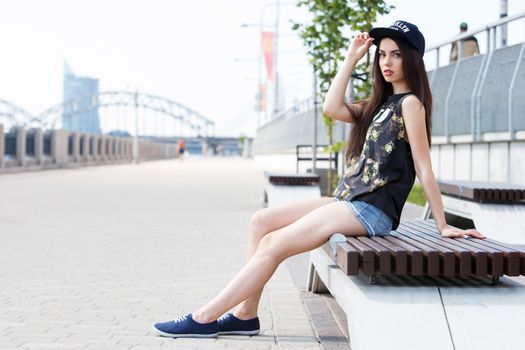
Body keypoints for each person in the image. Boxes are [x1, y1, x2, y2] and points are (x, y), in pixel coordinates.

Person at [153, 20, 485, 338]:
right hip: (350, 200)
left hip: (371, 209)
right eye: (382, 54)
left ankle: (204, 317)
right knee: (261, 222)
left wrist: (442, 224)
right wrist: (350, 58)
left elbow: (424, 168)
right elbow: (331, 107)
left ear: (411, 59)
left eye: (396, 54)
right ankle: (245, 314)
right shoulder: (381, 104)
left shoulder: (411, 104)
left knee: (273, 244)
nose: (386, 61)